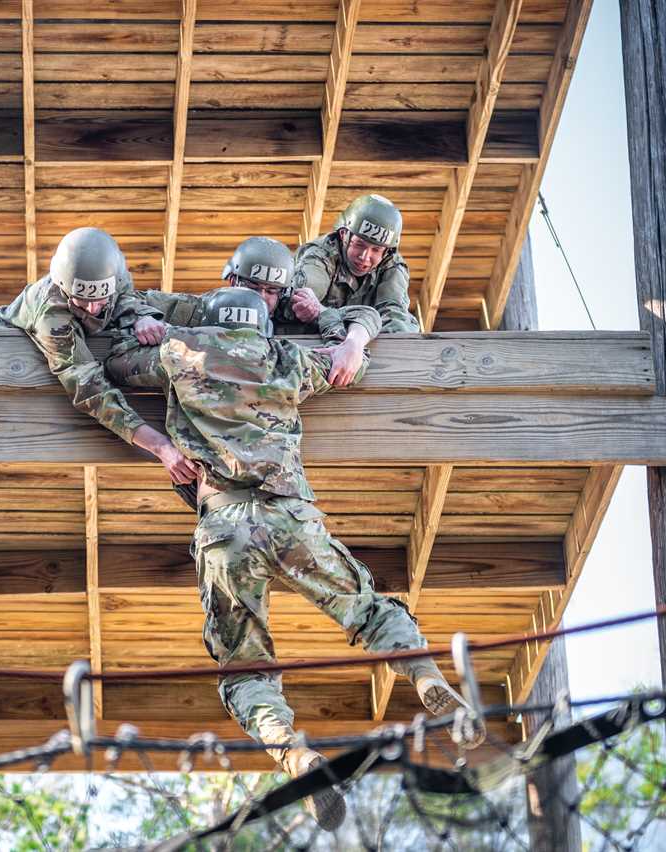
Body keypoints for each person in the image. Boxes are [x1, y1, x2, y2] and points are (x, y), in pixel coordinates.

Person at [118, 285, 481, 831]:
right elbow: (345, 366)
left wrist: (161, 331)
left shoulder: (182, 351)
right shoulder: (286, 358)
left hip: (224, 527)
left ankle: (295, 754)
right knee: (367, 610)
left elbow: (122, 364)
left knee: (244, 665)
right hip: (292, 518)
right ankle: (424, 674)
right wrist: (346, 334)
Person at [0, 227, 195, 485]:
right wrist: (160, 446)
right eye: (82, 301)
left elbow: (125, 297)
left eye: (100, 300)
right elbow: (91, 390)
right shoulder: (52, 314)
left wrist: (141, 316)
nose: (93, 309)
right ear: (64, 287)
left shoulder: (112, 275)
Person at [110, 236, 375, 389]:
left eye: (271, 291)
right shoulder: (204, 308)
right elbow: (127, 298)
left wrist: (347, 338)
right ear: (232, 280)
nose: (260, 297)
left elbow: (366, 314)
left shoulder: (291, 309)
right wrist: (142, 316)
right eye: (252, 285)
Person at [290, 193, 419, 335]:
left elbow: (395, 316)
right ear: (343, 235)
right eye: (359, 244)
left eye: (376, 250)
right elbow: (302, 298)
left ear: (387, 251)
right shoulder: (320, 255)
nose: (365, 257)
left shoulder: (392, 265)